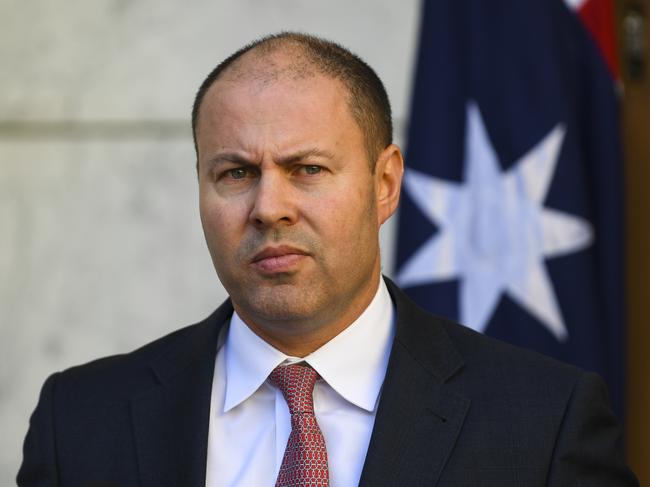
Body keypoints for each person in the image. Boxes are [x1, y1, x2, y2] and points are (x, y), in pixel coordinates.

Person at [18, 32, 638, 487]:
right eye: (235, 172)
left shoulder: (544, 423)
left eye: (307, 169)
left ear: (385, 183)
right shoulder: (79, 423)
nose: (269, 208)